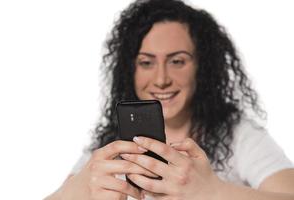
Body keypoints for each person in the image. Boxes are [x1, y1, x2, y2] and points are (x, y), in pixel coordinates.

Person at [45, 0, 294, 199]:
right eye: (146, 62)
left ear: (202, 67)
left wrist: (214, 193)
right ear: (130, 70)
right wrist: (74, 193)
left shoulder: (238, 135)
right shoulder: (111, 143)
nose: (161, 79)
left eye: (177, 61)